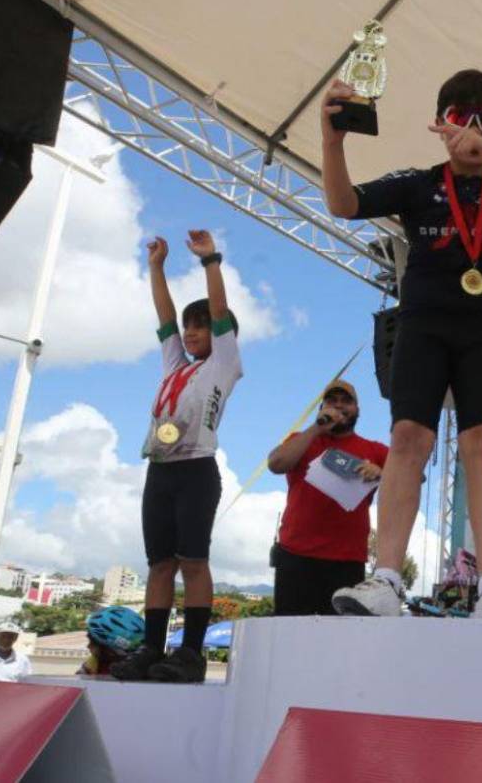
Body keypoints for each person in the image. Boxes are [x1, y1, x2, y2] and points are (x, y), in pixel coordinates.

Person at [319, 69, 482, 619]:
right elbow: (343, 203)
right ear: (439, 123)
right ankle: (384, 578)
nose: (474, 131)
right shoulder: (418, 183)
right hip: (422, 328)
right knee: (408, 438)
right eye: (460, 118)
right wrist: (333, 141)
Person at [111, 229, 243, 684]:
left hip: (197, 470)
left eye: (200, 325)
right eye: (189, 327)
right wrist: (156, 267)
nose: (190, 333)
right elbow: (164, 317)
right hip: (160, 470)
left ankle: (190, 653)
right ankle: (151, 647)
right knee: (159, 564)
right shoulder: (175, 365)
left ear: (222, 334)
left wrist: (210, 262)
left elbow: (220, 312)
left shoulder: (224, 364)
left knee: (194, 562)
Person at [266, 379, 389, 615]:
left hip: (347, 561)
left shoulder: (375, 450)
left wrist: (382, 473)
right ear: (321, 408)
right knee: (292, 633)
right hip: (295, 555)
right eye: (332, 401)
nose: (339, 406)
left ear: (358, 410)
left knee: (340, 642)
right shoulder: (302, 440)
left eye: (346, 401)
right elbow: (275, 463)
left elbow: (413, 477)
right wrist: (316, 428)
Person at [80, 606, 146, 676]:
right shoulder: (94, 663)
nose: (88, 646)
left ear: (109, 650)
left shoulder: (101, 667)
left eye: (92, 643)